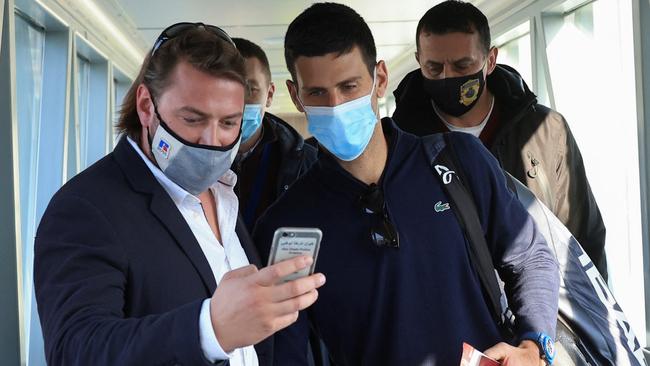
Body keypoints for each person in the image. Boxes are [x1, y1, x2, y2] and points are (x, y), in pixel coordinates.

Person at [253, 3, 560, 365]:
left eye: (350, 86)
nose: (336, 105)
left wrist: (533, 347)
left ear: (379, 78)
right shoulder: (286, 227)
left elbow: (530, 257)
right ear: (295, 94)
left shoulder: (458, 161)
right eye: (317, 93)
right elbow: (284, 349)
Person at [33, 23, 325, 366]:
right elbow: (75, 351)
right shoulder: (85, 207)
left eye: (229, 123)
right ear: (146, 106)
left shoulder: (225, 195)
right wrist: (209, 329)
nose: (212, 141)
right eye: (192, 119)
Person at [392, 0, 608, 279]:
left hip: (541, 305)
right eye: (434, 68)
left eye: (462, 65)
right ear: (419, 61)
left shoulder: (546, 131)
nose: (448, 77)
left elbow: (582, 236)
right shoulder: (401, 144)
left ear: (490, 60)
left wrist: (594, 318)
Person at [230, 37, 317, 231]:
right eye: (227, 90)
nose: (238, 102)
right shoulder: (191, 157)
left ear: (269, 95)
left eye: (250, 89)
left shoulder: (306, 162)